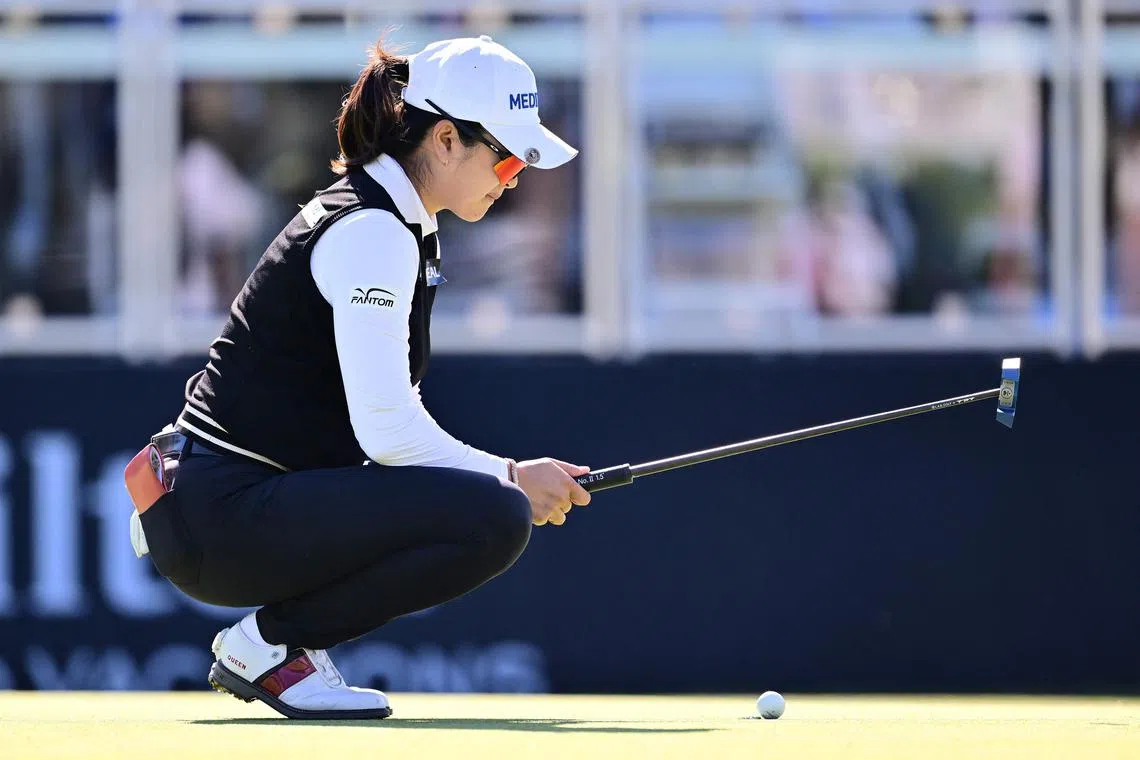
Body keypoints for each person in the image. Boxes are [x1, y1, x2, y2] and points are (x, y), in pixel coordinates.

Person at [123, 35, 591, 720]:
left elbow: (385, 423)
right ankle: (271, 649)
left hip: (217, 499)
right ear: (445, 140)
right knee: (492, 516)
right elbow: (387, 431)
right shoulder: (374, 231)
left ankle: (276, 650)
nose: (516, 177)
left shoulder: (394, 218)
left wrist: (501, 478)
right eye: (509, 156)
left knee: (485, 504)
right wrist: (512, 476)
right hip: (216, 516)